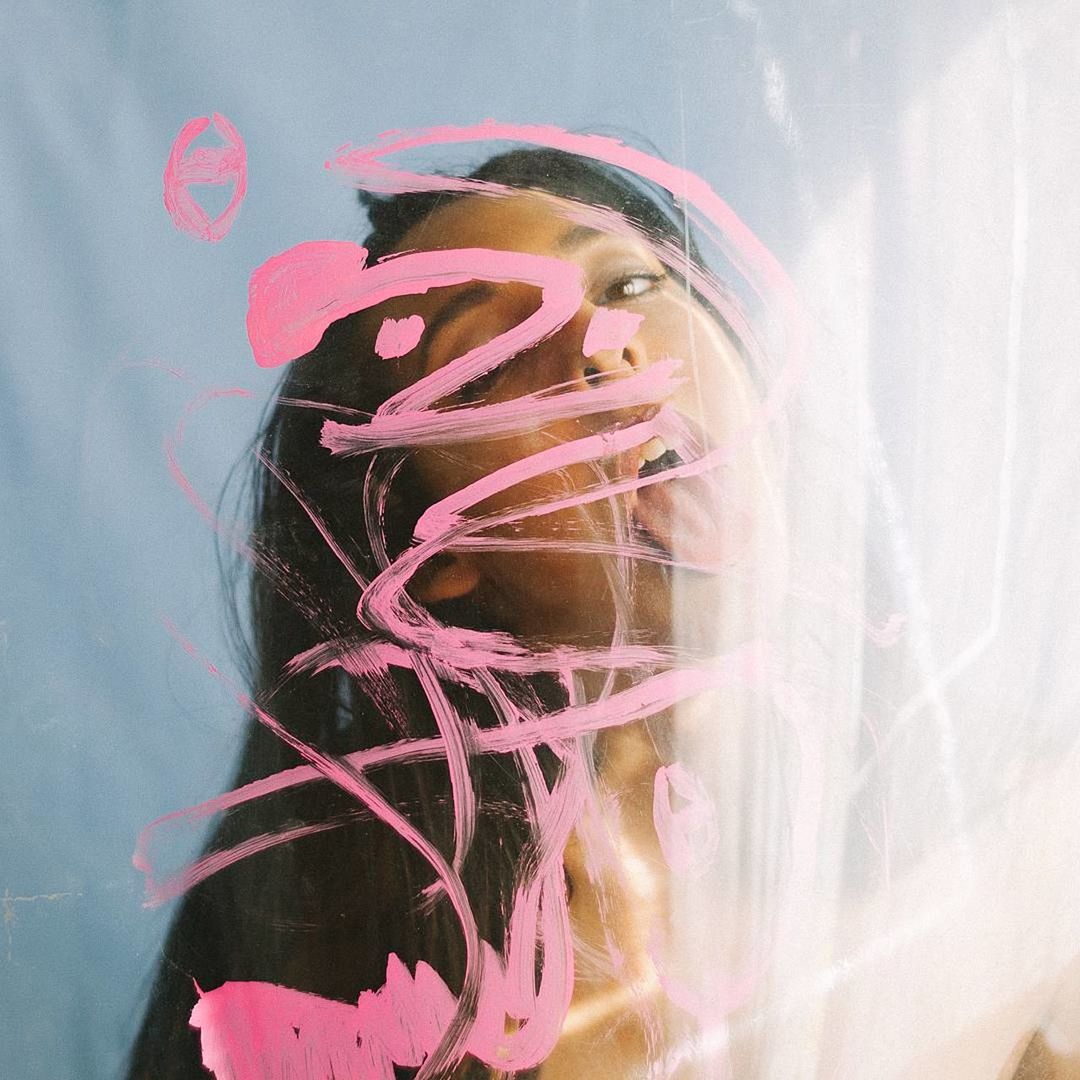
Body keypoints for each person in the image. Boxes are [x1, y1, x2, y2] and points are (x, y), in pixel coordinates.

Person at [127, 143, 1078, 1079]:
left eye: (627, 286)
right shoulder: (352, 984)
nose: (606, 346)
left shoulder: (1013, 826)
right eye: (486, 362)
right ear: (431, 558)